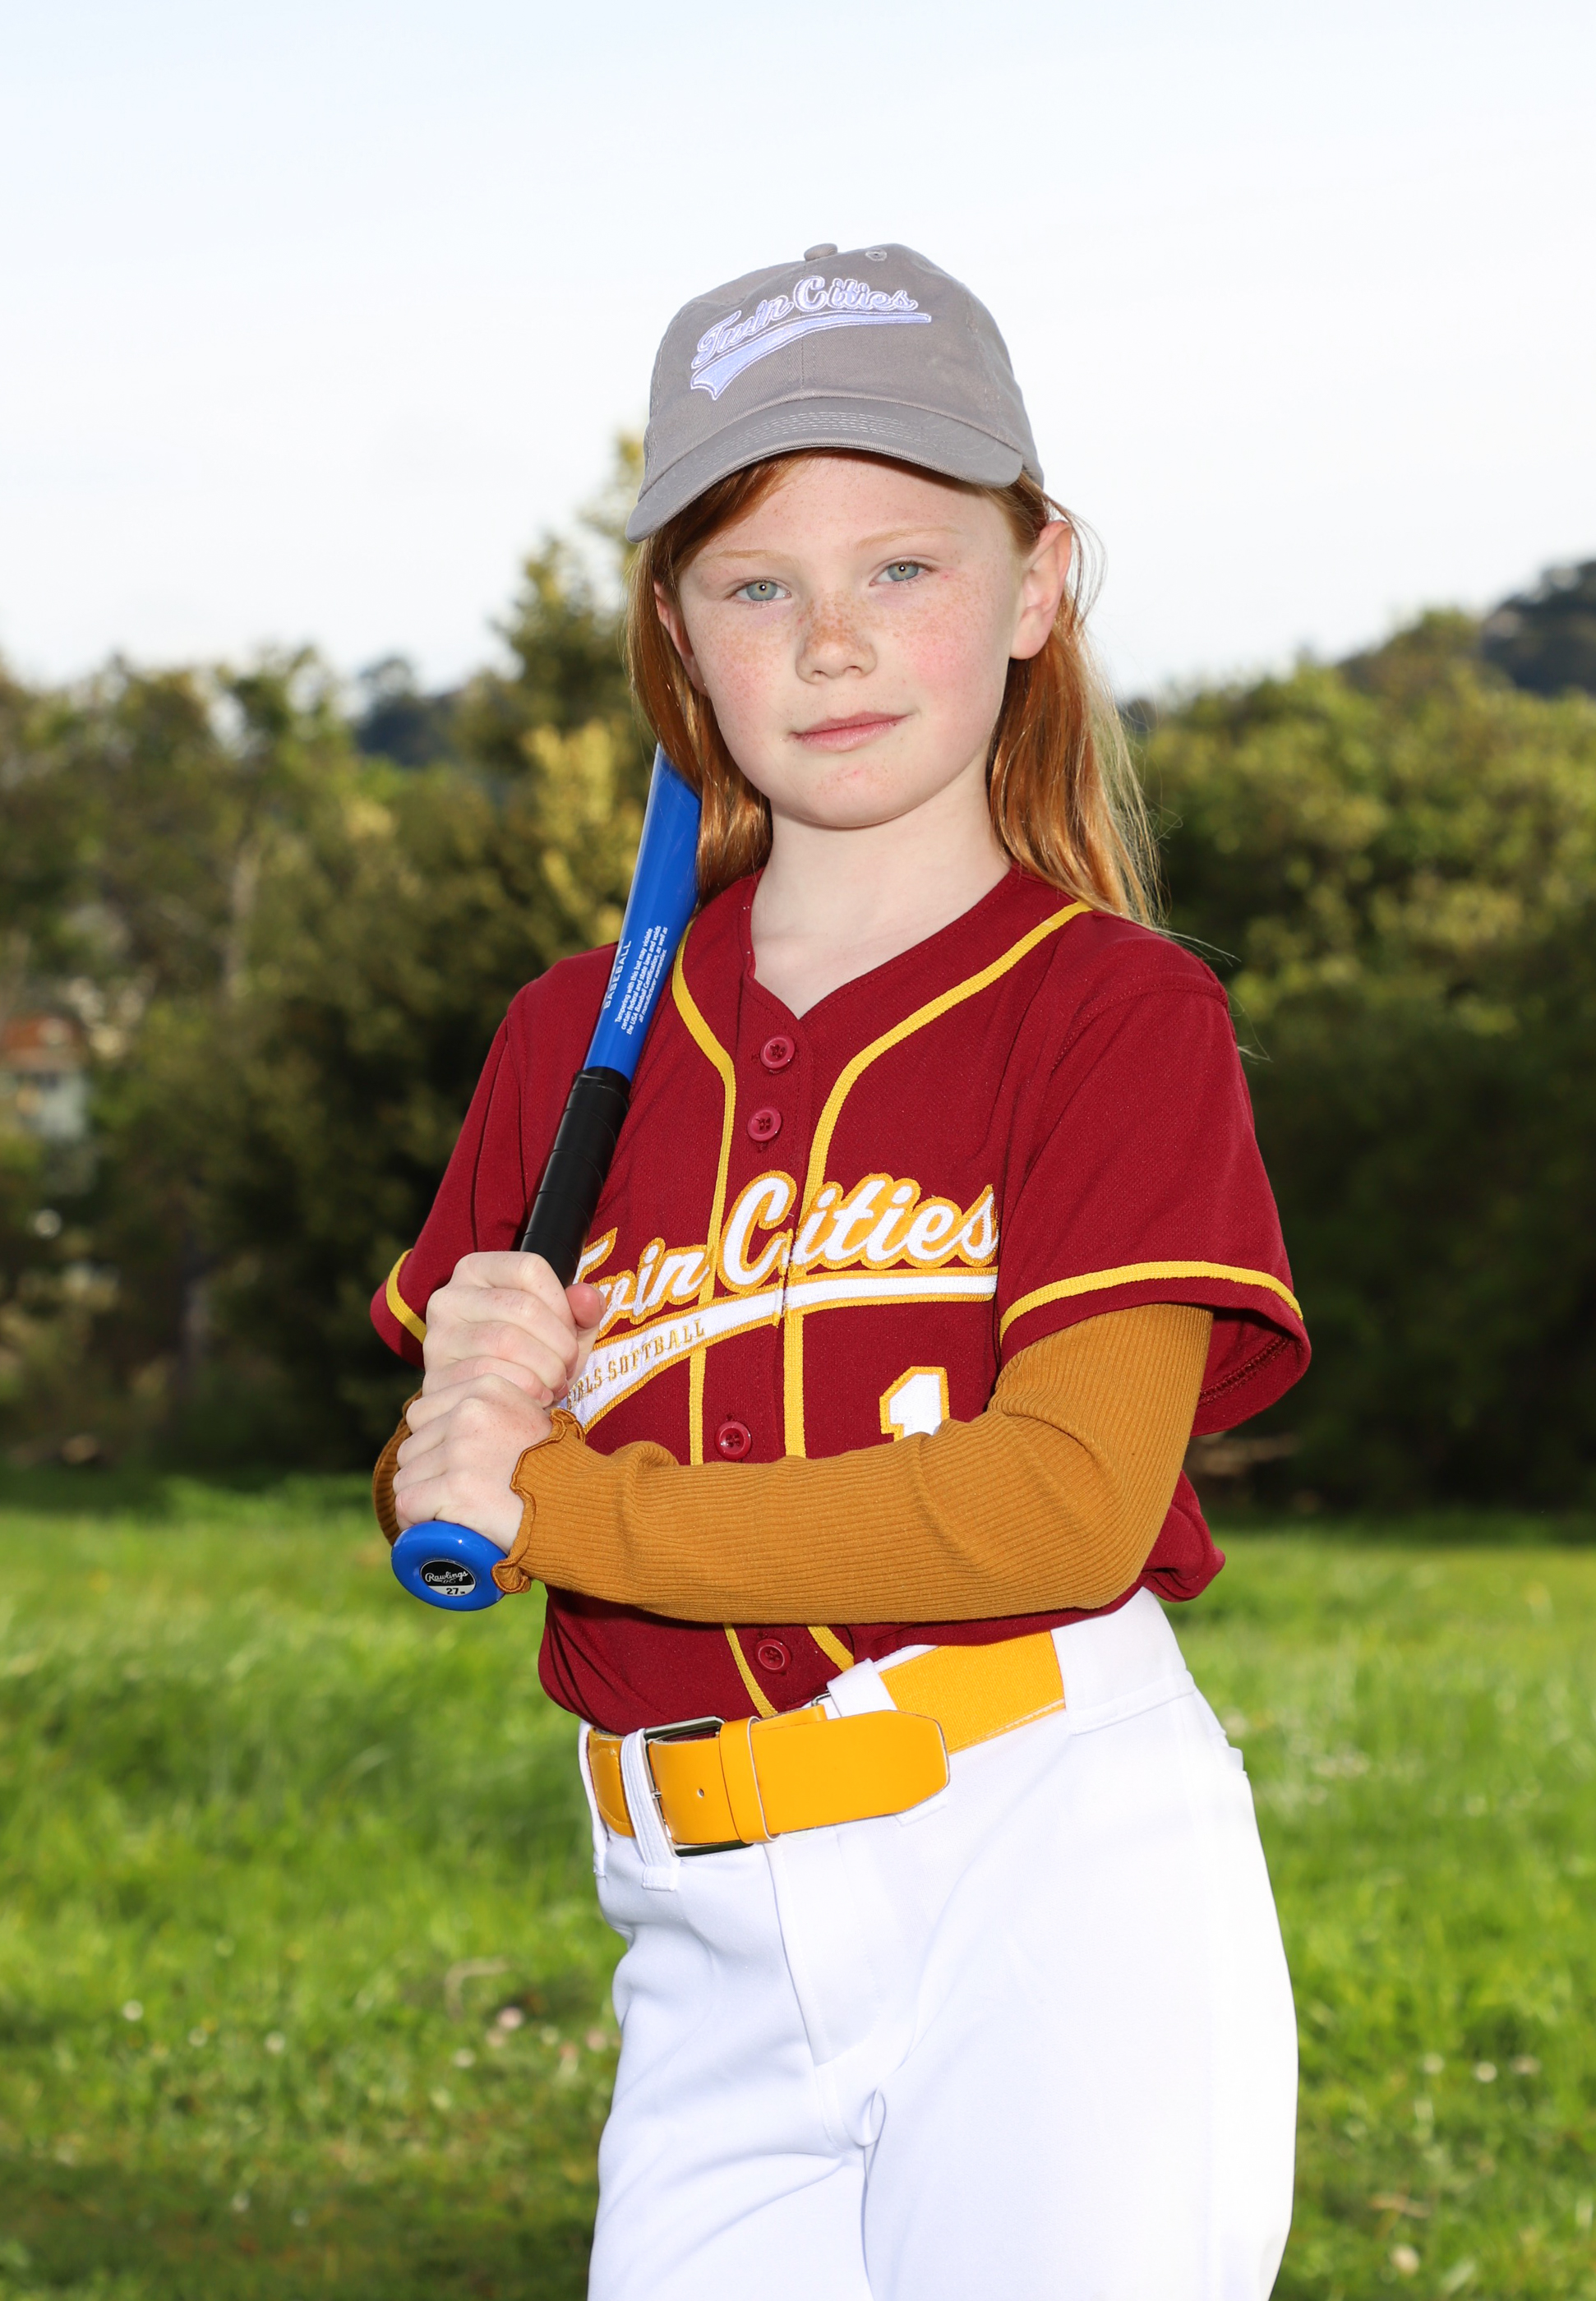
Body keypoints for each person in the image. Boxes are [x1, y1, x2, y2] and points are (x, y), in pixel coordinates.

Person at [370, 242, 1308, 2301]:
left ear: (1038, 581)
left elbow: (1063, 1503)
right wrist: (463, 1425)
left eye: (902, 564)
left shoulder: (1111, 1013)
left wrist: (560, 1504)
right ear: (675, 635)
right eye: (755, 584)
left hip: (1042, 1871)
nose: (831, 641)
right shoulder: (569, 1034)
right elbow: (448, 1486)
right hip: (694, 1919)